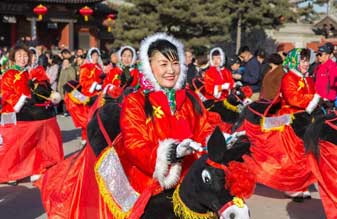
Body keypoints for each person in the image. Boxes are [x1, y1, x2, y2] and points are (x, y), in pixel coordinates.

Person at [37, 32, 223, 218]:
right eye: (163, 64)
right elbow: (134, 143)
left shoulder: (189, 98)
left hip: (190, 180)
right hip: (149, 181)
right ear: (149, 66)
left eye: (175, 64)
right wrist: (169, 153)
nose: (171, 70)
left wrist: (220, 142)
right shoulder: (136, 101)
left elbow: (204, 127)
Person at [279, 48, 320, 115]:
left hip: (306, 115)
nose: (306, 64)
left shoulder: (308, 78)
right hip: (291, 115)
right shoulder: (289, 77)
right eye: (303, 61)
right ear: (295, 62)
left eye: (307, 61)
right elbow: (293, 99)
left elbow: (316, 93)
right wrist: (315, 98)